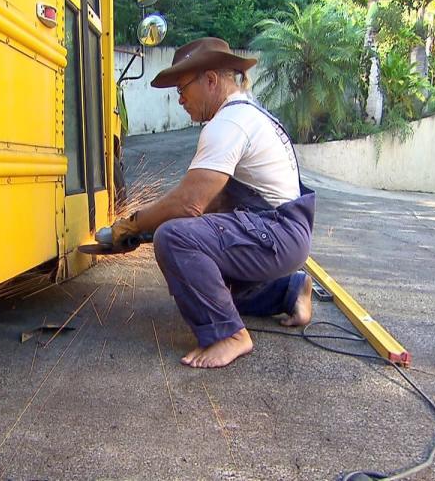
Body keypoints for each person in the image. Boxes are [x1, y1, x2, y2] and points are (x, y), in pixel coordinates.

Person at [111, 37, 316, 369]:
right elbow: (215, 202)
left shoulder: (228, 123)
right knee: (210, 287)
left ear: (210, 80)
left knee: (175, 239)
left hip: (275, 233)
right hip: (282, 232)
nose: (180, 99)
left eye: (182, 89)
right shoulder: (248, 113)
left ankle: (229, 336)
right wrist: (150, 226)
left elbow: (189, 203)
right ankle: (289, 291)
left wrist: (134, 223)